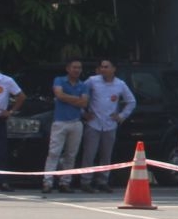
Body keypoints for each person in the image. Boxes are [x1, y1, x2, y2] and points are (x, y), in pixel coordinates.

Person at [81, 59, 135, 193]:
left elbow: (131, 101)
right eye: (102, 67)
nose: (103, 69)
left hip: (110, 124)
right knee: (89, 154)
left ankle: (103, 181)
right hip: (93, 123)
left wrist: (121, 116)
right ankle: (85, 181)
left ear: (113, 69)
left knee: (106, 155)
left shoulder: (120, 84)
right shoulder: (92, 81)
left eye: (106, 67)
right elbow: (80, 95)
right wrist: (83, 113)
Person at [43, 60, 90, 194]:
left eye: (79, 68)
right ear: (68, 69)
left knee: (71, 154)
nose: (77, 70)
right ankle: (47, 182)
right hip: (60, 122)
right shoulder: (59, 80)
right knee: (54, 153)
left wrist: (66, 98)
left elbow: (84, 103)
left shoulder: (83, 85)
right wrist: (76, 99)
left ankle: (65, 182)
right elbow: (59, 95)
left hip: (76, 122)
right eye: (74, 67)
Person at [0, 67, 24, 193]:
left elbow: (21, 96)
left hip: (0, 119)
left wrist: (10, 112)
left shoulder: (6, 80)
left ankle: (3, 181)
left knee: (1, 152)